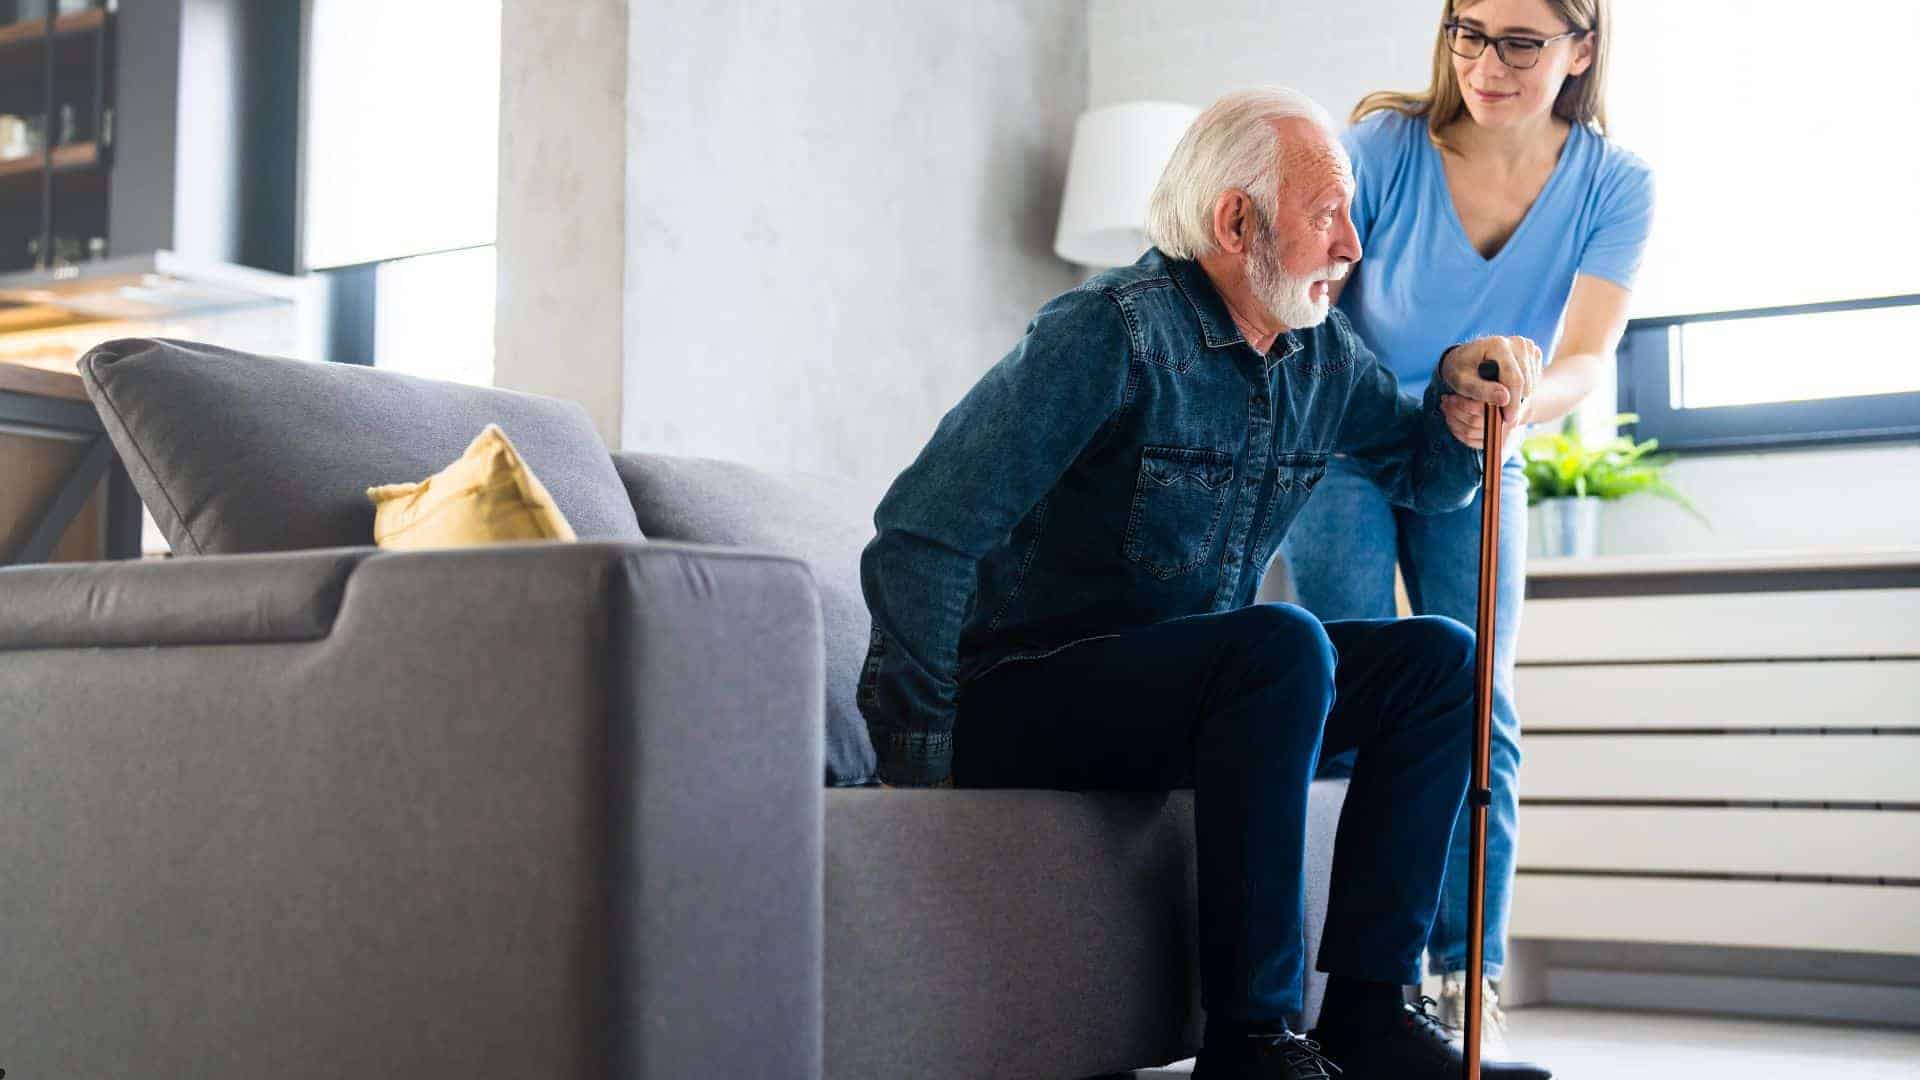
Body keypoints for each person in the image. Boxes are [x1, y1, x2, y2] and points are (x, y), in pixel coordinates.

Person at [857, 86, 1553, 1080]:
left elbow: (1422, 476)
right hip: (1023, 689)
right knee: (1280, 644)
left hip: (1187, 692)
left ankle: (1367, 1013)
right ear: (1237, 221)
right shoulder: (1107, 332)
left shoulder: (1320, 358)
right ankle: (1253, 1039)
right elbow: (919, 535)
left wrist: (1459, 389)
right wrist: (916, 768)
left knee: (1440, 659)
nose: (1352, 245)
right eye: (1328, 216)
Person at [1280, 0, 1653, 1053]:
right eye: (1467, 32)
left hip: (1488, 439)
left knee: (1481, 702)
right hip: (1349, 441)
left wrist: (1502, 403)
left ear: (1582, 47)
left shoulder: (1614, 184)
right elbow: (1317, 297)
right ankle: (1355, 981)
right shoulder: (1385, 148)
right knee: (1351, 693)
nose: (1487, 63)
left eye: (1521, 41)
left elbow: (1585, 355)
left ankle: (1463, 974)